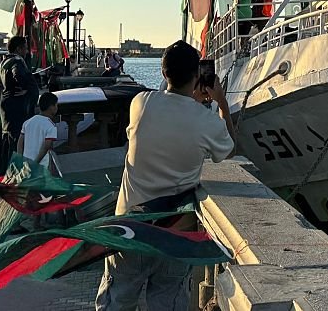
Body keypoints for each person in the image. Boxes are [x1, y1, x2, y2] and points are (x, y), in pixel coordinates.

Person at [95, 41, 235, 311]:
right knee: (168, 302)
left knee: (117, 301)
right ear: (197, 77)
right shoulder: (206, 120)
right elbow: (228, 150)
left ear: (163, 73)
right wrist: (222, 103)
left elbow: (167, 104)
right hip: (176, 232)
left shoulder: (140, 103)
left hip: (132, 228)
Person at [0, 36, 40, 155]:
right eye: (25, 48)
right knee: (16, 139)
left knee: (6, 136)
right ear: (18, 49)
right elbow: (18, 74)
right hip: (17, 105)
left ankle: (5, 167)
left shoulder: (3, 62)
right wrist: (27, 89)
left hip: (6, 103)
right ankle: (15, 168)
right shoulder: (16, 61)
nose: (27, 52)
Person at [17, 92, 59, 169]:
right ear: (51, 107)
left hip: (26, 164)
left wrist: (20, 159)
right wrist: (35, 163)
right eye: (56, 105)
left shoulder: (27, 122)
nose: (57, 107)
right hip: (41, 166)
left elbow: (20, 142)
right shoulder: (51, 126)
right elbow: (46, 146)